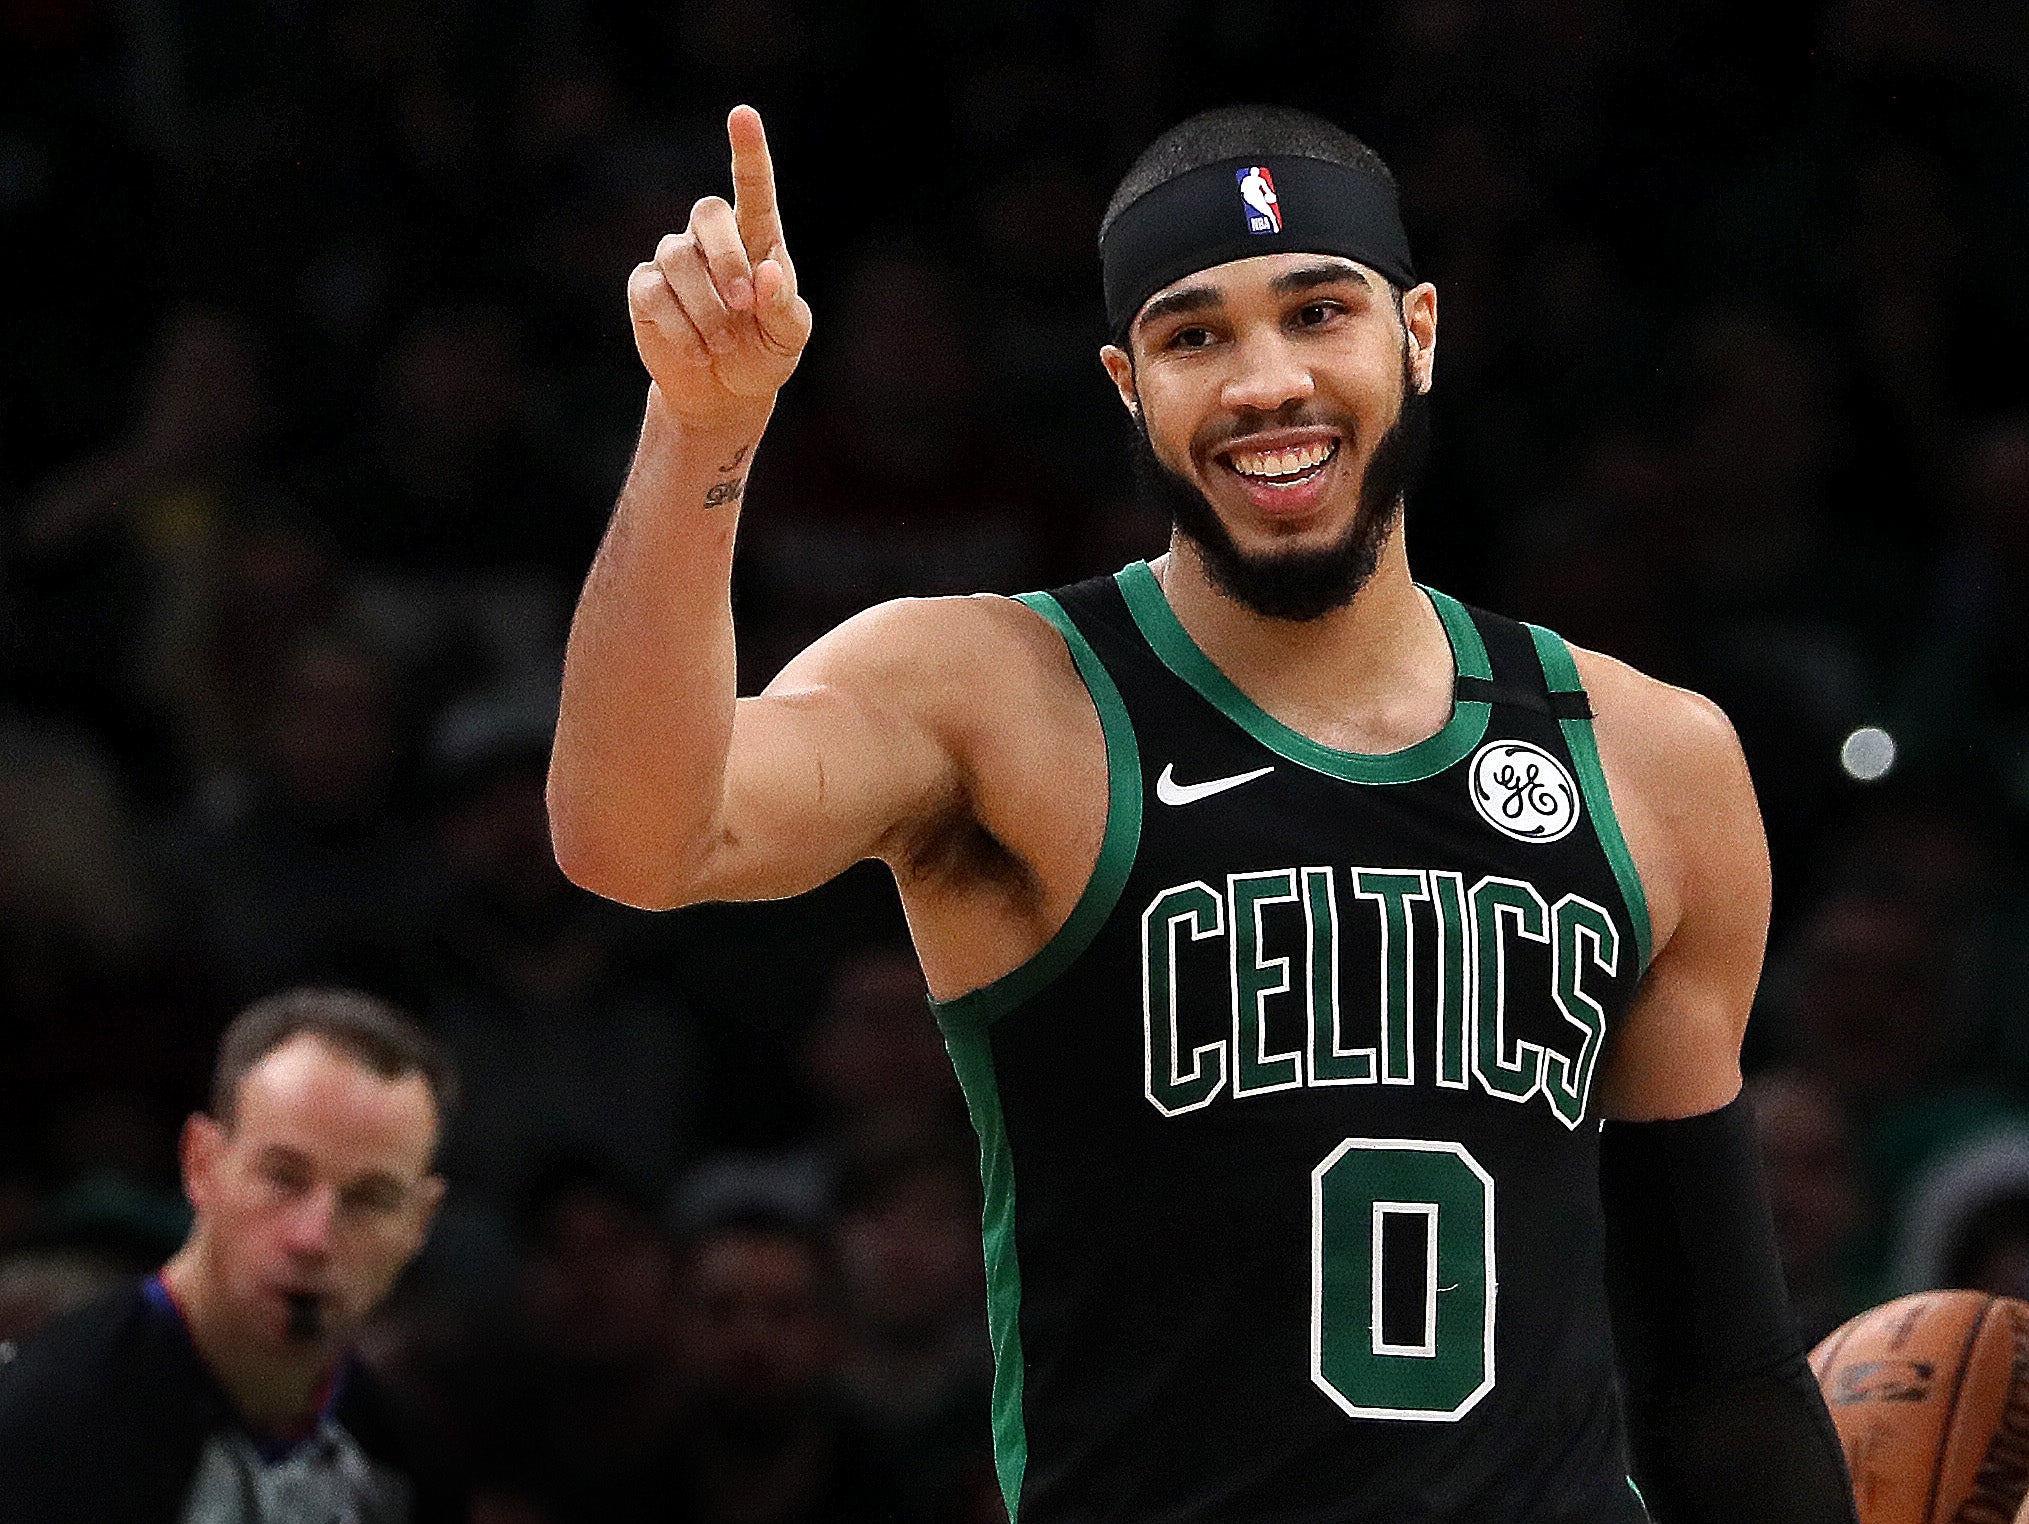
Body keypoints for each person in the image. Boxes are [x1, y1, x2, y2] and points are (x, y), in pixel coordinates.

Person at [547, 103, 1857, 1523]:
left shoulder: (1654, 758)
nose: (1264, 382)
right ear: (1124, 382)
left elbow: (1719, 1370)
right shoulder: (995, 690)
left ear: (1417, 332)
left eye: (1317, 311)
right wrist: (702, 431)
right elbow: (636, 837)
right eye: (1193, 335)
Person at [0, 987, 463, 1523]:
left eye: (369, 1199)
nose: (313, 1237)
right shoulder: (36, 1424)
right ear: (202, 1164)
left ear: (420, 1221)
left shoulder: (409, 1472)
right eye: (283, 1177)